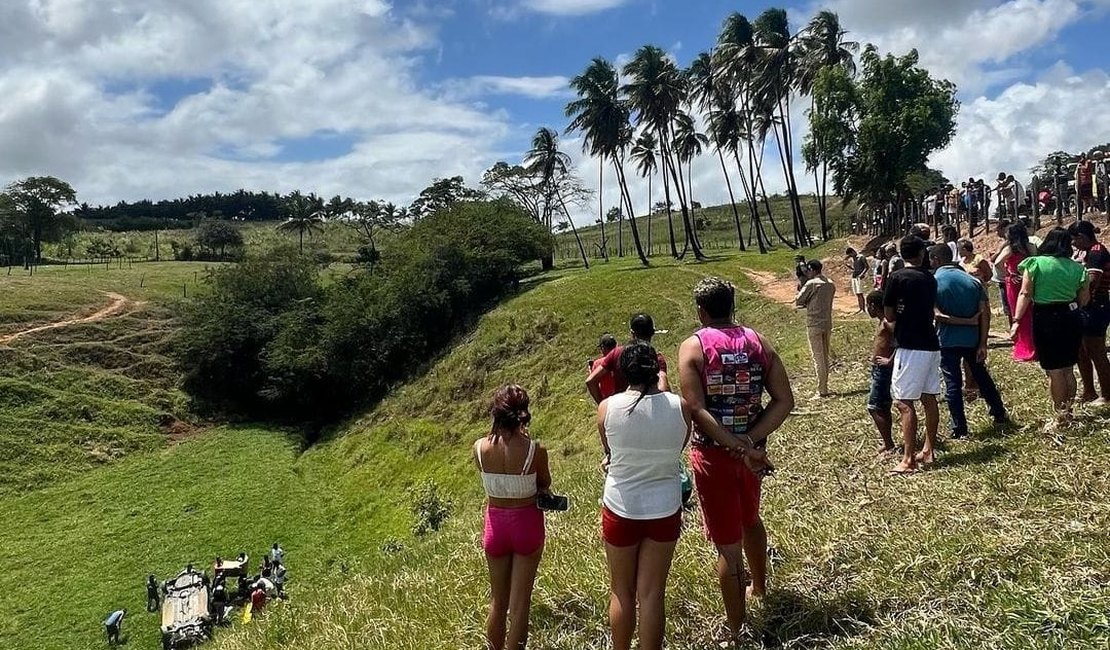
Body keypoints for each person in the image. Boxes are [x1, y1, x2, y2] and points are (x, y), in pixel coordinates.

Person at [678, 278, 794, 643]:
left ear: (701, 311)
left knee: (727, 545)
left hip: (713, 456)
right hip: (753, 454)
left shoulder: (693, 348)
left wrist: (734, 444)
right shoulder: (758, 342)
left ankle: (736, 626)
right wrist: (751, 442)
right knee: (751, 520)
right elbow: (784, 400)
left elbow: (695, 409)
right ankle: (759, 587)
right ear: (732, 305)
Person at [597, 343, 692, 650]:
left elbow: (610, 452)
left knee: (621, 592)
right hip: (664, 507)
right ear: (657, 370)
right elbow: (677, 448)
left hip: (620, 506)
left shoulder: (607, 408)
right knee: (652, 593)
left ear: (624, 372)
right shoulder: (681, 407)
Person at [474, 385, 551, 650]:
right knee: (520, 605)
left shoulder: (479, 448)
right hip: (526, 523)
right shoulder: (534, 449)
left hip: (495, 526)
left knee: (498, 601)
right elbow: (544, 482)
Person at [1012, 228, 1090, 430]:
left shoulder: (1035, 263)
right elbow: (1084, 299)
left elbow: (1025, 293)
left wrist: (1017, 320)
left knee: (1054, 370)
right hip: (1071, 317)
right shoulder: (1078, 268)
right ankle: (1068, 412)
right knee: (1068, 368)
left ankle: (1060, 417)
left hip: (1046, 317)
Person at [930, 245, 1009, 439]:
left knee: (952, 384)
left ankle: (959, 428)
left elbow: (937, 315)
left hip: (947, 340)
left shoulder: (933, 282)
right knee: (982, 376)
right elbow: (985, 314)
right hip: (973, 339)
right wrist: (983, 342)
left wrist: (960, 321)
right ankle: (999, 413)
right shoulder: (973, 282)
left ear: (937, 260)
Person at [883, 236, 941, 473]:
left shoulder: (897, 277)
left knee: (903, 402)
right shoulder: (930, 278)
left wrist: (897, 310)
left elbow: (889, 315)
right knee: (929, 398)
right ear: (921, 253)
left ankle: (908, 459)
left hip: (909, 346)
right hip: (931, 343)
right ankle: (928, 450)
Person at [1070, 220, 1110, 403]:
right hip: (1087, 307)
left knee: (1096, 351)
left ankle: (1107, 394)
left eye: (1073, 240)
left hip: (1096, 306)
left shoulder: (1096, 253)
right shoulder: (1088, 252)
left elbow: (1093, 282)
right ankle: (1089, 391)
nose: (1073, 245)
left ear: (1081, 237)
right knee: (1082, 351)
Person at [587, 314, 669, 403]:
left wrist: (602, 404)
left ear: (632, 333)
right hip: (649, 409)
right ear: (652, 332)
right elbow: (663, 388)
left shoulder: (616, 353)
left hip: (620, 409)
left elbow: (590, 381)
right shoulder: (657, 359)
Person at [995, 223, 1038, 362]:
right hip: (1029, 280)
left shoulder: (1010, 248)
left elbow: (997, 263)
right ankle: (1034, 346)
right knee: (1031, 313)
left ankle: (1023, 347)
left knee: (1018, 313)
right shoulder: (1031, 247)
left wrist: (1008, 274)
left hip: (1013, 283)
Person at [795, 260, 836, 398]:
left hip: (814, 323)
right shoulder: (830, 284)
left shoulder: (811, 284)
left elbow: (799, 300)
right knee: (825, 356)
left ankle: (822, 390)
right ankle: (825, 386)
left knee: (817, 357)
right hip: (827, 322)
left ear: (812, 269)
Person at [865, 291, 895, 453]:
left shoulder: (886, 322)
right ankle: (888, 442)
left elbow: (901, 339)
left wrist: (890, 360)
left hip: (883, 370)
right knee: (883, 406)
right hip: (879, 369)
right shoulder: (882, 321)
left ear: (872, 306)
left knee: (874, 407)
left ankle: (888, 443)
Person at [587, 334, 619, 402]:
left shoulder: (598, 363)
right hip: (624, 396)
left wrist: (590, 369)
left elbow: (592, 380)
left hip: (608, 400)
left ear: (603, 347)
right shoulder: (621, 357)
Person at [846, 248, 868, 313]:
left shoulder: (861, 257)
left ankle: (863, 309)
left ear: (853, 252)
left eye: (851, 255)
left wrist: (862, 274)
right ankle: (860, 308)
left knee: (860, 293)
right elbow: (855, 269)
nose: (851, 256)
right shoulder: (854, 259)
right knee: (857, 293)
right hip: (854, 276)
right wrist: (850, 267)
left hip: (859, 277)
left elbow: (866, 267)